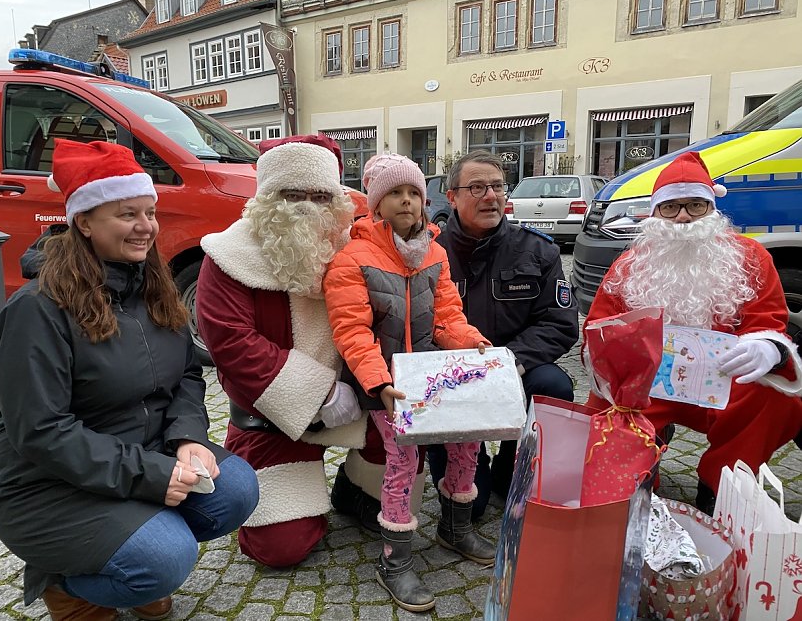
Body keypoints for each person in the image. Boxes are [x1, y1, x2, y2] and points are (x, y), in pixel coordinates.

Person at [0, 139, 259, 621]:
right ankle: (70, 586)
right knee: (164, 556)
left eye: (149, 212)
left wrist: (189, 436)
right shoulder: (38, 309)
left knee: (235, 490)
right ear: (83, 221)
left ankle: (127, 548)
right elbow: (40, 432)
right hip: (43, 483)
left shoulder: (151, 286)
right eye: (127, 213)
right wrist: (151, 476)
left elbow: (188, 374)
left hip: (138, 451)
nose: (145, 226)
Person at [332, 150, 581, 525]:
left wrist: (499, 356)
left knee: (551, 386)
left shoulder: (533, 250)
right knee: (412, 463)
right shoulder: (427, 248)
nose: (490, 196)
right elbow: (354, 329)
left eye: (497, 186)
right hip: (417, 380)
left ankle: (510, 473)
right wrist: (379, 379)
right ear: (452, 197)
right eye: (477, 187)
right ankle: (396, 551)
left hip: (496, 367)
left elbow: (555, 323)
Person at [324, 153, 496, 612]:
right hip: (381, 381)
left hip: (430, 374)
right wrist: (379, 382)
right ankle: (394, 559)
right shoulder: (352, 258)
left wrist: (471, 340)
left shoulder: (434, 253)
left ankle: (455, 527)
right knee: (404, 455)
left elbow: (446, 318)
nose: (406, 202)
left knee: (467, 439)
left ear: (425, 201)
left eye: (414, 193)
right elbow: (352, 330)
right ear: (376, 205)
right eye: (395, 194)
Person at [585, 151, 802, 514]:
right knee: (606, 410)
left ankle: (723, 481)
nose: (683, 215)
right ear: (655, 214)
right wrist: (615, 359)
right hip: (650, 385)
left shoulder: (749, 256)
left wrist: (767, 346)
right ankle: (633, 484)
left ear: (712, 209)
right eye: (671, 207)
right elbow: (599, 325)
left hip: (725, 381)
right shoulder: (631, 263)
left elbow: (768, 317)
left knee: (776, 398)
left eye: (695, 205)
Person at [195, 134, 369, 568]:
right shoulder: (228, 255)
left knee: (391, 494)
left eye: (321, 195)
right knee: (280, 548)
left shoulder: (355, 246)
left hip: (360, 405)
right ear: (267, 197)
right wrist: (322, 394)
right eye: (293, 194)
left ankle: (351, 485)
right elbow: (233, 344)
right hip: (273, 417)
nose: (309, 206)